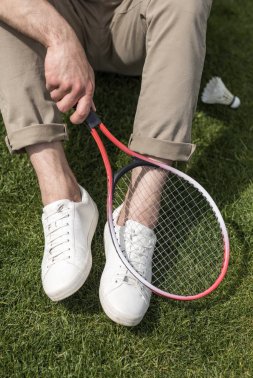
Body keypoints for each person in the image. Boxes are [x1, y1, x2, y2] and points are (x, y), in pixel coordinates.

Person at [0, 0, 213, 326]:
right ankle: (63, 195)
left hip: (142, 24)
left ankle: (137, 217)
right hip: (63, 14)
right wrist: (59, 38)